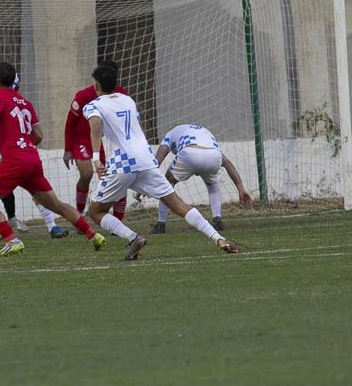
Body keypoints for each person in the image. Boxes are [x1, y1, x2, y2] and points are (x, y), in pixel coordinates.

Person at [83, 65, 237, 258]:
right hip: (146, 159)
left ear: (96, 85)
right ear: (116, 83)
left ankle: (133, 238)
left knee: (96, 211)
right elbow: (139, 127)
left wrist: (96, 159)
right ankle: (218, 238)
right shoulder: (128, 100)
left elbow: (95, 125)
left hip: (122, 164)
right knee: (178, 205)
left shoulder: (93, 105)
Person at [0, 61, 107, 259]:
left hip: (15, 160)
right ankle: (93, 235)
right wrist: (23, 143)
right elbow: (39, 135)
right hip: (31, 158)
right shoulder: (25, 102)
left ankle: (12, 240)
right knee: (56, 205)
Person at [0, 46, 66, 238]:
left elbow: (15, 100)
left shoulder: (11, 76)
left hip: (11, 136)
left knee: (32, 183)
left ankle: (51, 225)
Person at [149, 123, 253, 234]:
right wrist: (241, 188)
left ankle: (161, 225)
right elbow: (227, 163)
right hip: (213, 155)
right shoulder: (204, 133)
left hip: (190, 152)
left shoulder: (170, 134)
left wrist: (149, 180)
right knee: (213, 183)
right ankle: (217, 220)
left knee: (168, 182)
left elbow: (158, 158)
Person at [63, 60, 128, 221]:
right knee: (87, 173)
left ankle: (118, 220)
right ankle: (78, 215)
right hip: (83, 140)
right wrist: (68, 149)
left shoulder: (122, 95)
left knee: (118, 179)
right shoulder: (84, 96)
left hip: (108, 143)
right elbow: (70, 122)